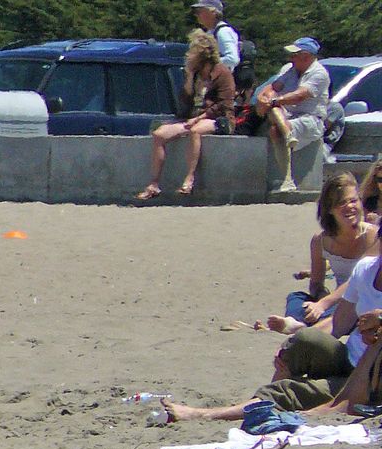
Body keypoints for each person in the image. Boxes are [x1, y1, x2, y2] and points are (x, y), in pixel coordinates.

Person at [163, 253, 382, 423]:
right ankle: (265, 397)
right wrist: (294, 343)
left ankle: (208, 414)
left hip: (371, 376)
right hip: (348, 357)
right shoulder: (366, 269)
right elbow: (338, 322)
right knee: (306, 340)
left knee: (290, 390)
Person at [265, 173, 377, 334]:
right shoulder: (320, 241)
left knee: (352, 307)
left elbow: (358, 280)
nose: (349, 207)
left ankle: (303, 325)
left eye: (353, 201)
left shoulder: (372, 235)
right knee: (296, 298)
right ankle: (302, 323)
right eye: (341, 203)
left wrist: (324, 303)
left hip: (361, 299)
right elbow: (316, 283)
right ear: (329, 209)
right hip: (335, 300)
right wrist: (320, 296)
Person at [138, 29, 235, 200]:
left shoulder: (222, 73)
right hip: (192, 116)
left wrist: (199, 118)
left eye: (192, 52)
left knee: (195, 131)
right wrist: (189, 78)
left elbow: (224, 104)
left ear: (203, 54)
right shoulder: (195, 74)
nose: (189, 56)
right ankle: (154, 184)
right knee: (159, 134)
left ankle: (189, 178)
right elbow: (185, 99)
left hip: (217, 119)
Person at [253, 37, 329, 194]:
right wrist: (263, 97)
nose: (291, 58)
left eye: (295, 55)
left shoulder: (319, 73)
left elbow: (300, 95)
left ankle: (288, 179)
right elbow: (274, 87)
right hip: (286, 115)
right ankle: (288, 137)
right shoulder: (289, 69)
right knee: (276, 124)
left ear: (306, 56)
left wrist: (273, 101)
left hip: (310, 119)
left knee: (275, 127)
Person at [189, 0, 241, 73]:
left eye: (200, 11)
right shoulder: (211, 32)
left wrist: (206, 64)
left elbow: (232, 59)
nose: (196, 15)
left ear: (213, 12)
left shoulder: (223, 31)